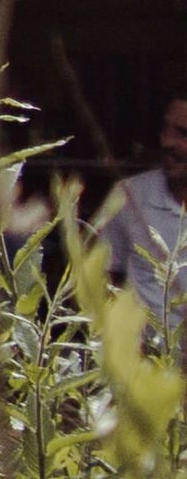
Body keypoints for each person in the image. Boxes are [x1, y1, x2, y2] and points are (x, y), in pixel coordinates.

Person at [100, 91, 187, 319]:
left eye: (183, 134)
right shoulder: (128, 196)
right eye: (166, 129)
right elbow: (102, 278)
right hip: (142, 352)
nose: (166, 142)